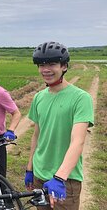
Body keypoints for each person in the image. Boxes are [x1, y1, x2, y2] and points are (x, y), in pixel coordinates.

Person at [25, 41, 94, 209]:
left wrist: (59, 177)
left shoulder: (81, 98)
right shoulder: (39, 97)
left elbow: (78, 141)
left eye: (52, 64)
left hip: (65, 180)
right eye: (41, 65)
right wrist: (29, 168)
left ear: (64, 66)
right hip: (39, 176)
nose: (46, 69)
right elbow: (37, 135)